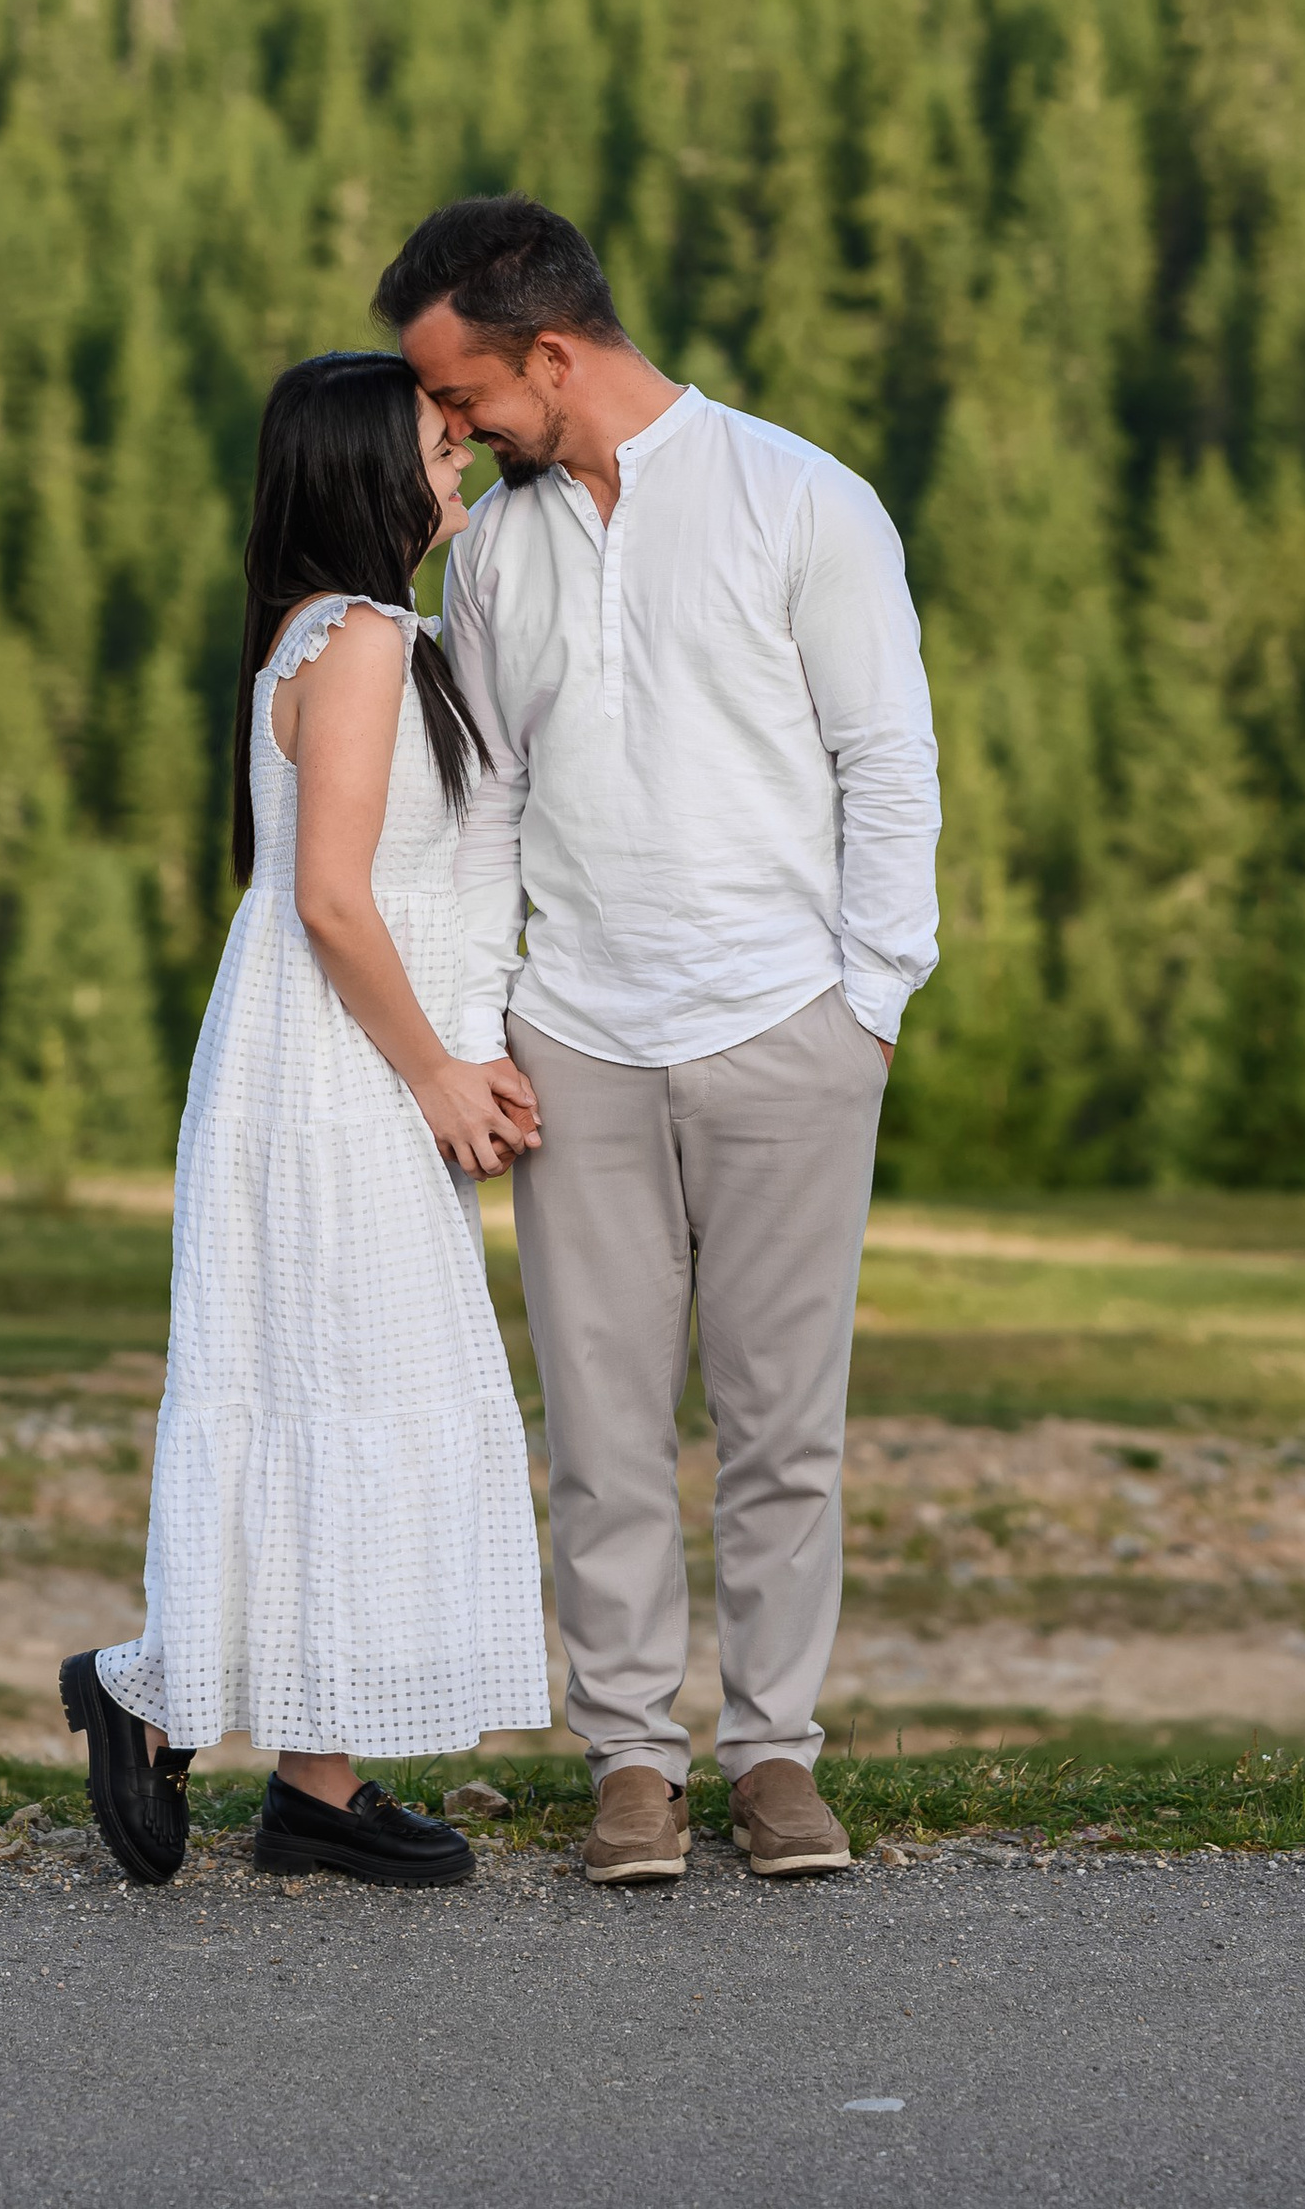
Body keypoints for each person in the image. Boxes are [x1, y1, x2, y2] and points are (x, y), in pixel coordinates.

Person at [377, 197, 941, 1887]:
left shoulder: (802, 500)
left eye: (463, 395)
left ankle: (776, 1753)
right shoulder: (493, 553)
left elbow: (888, 768)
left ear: (552, 354)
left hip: (790, 1028)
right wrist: (477, 1034)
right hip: (580, 1044)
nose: (451, 433)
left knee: (786, 1429)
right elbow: (487, 813)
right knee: (604, 1426)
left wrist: (870, 1008)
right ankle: (632, 1758)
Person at [61, 351, 550, 1887]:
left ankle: (313, 1777)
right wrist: (436, 1072)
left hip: (316, 1044)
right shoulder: (352, 643)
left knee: (335, 1377)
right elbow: (337, 897)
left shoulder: (334, 631)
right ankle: (148, 1694)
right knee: (344, 1378)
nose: (459, 444)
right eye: (435, 433)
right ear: (361, 468)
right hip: (344, 1055)